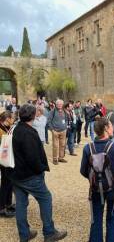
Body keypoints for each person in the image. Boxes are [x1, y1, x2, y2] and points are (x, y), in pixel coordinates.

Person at [7, 104, 67, 242]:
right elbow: (32, 158)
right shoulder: (28, 133)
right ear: (33, 116)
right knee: (46, 198)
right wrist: (41, 169)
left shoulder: (15, 128)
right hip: (28, 175)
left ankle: (24, 233)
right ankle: (49, 232)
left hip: (15, 174)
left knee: (21, 203)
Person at [80, 117, 114, 242]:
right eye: (111, 126)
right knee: (111, 220)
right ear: (106, 128)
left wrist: (95, 179)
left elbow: (83, 171)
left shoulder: (87, 148)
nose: (113, 128)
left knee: (96, 219)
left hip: (95, 188)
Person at [0, 111, 15, 218]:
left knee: (10, 181)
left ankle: (8, 203)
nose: (13, 120)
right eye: (12, 118)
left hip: (7, 158)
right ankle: (1, 208)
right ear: (7, 119)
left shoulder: (6, 127)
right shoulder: (1, 129)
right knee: (5, 183)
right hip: (2, 159)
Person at [47, 99, 68, 165]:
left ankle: (61, 158)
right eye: (58, 104)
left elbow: (66, 119)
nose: (59, 105)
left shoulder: (64, 111)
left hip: (63, 131)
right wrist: (52, 130)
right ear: (56, 104)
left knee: (62, 145)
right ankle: (55, 159)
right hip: (55, 131)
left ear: (62, 105)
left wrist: (65, 126)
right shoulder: (52, 111)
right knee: (55, 146)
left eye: (61, 104)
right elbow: (49, 121)